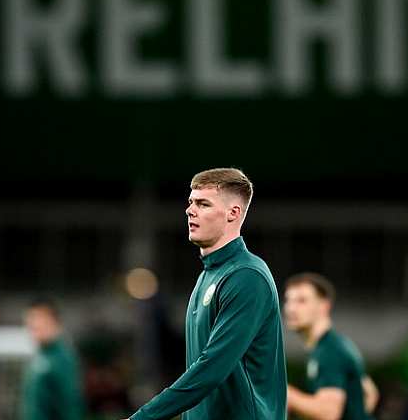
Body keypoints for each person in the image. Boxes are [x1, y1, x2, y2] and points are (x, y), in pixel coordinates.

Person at [127, 168, 287, 420]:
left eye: (203, 204)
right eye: (191, 202)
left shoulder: (247, 276)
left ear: (233, 213)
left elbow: (211, 370)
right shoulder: (208, 275)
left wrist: (142, 418)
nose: (190, 210)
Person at [283, 273, 379, 420]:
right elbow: (371, 393)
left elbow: (328, 413)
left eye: (301, 301)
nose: (291, 308)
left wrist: (284, 392)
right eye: (288, 300)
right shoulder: (338, 344)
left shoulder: (330, 351)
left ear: (324, 306)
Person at [21, 297, 85, 420]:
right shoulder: (40, 354)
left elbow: (70, 405)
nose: (34, 324)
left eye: (40, 319)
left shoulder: (62, 359)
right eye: (30, 321)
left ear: (55, 322)